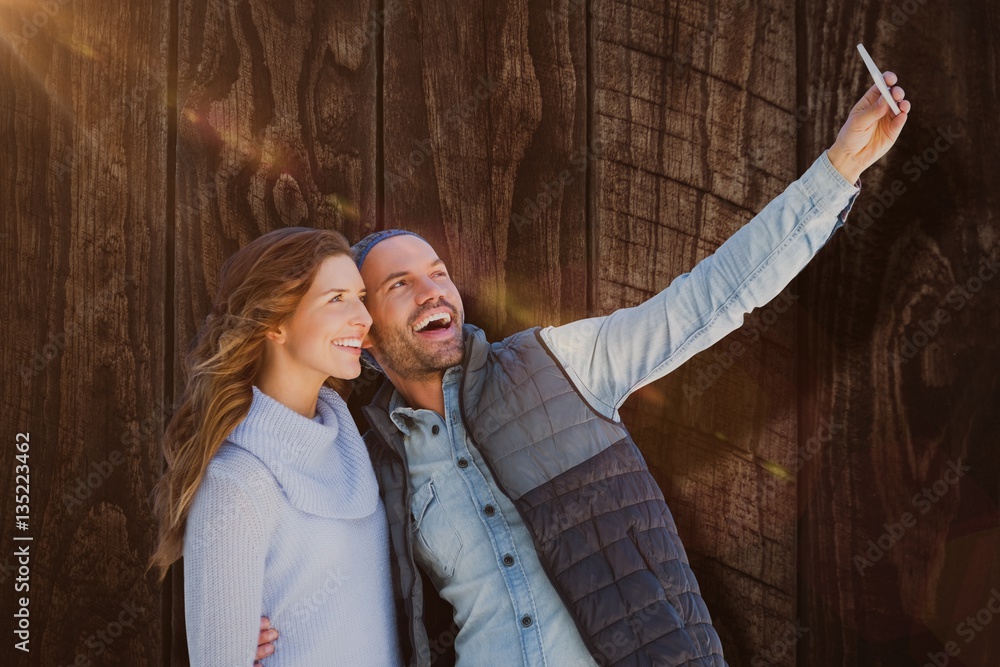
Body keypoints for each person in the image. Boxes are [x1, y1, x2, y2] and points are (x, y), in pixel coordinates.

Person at [257, 74, 910, 665]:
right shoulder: (370, 457)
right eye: (400, 284)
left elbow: (714, 297)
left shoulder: (560, 364)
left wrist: (842, 165)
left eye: (439, 274)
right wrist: (261, 623)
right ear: (364, 333)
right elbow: (324, 572)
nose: (434, 292)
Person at [149, 228, 402, 665]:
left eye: (360, 296)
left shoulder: (351, 448)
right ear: (274, 323)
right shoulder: (238, 482)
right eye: (336, 298)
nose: (363, 316)